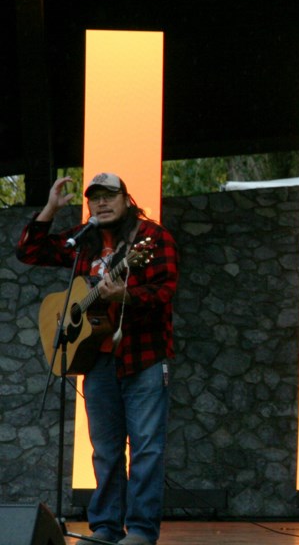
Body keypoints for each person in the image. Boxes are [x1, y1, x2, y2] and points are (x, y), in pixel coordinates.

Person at [17, 173, 179, 545]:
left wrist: (126, 296)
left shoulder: (151, 239)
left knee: (146, 449)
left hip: (145, 359)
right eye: (95, 199)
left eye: (110, 196)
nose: (102, 204)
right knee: (105, 451)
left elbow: (165, 291)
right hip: (97, 361)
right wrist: (51, 208)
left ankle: (139, 531)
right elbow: (29, 252)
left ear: (126, 199)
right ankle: (105, 529)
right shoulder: (85, 241)